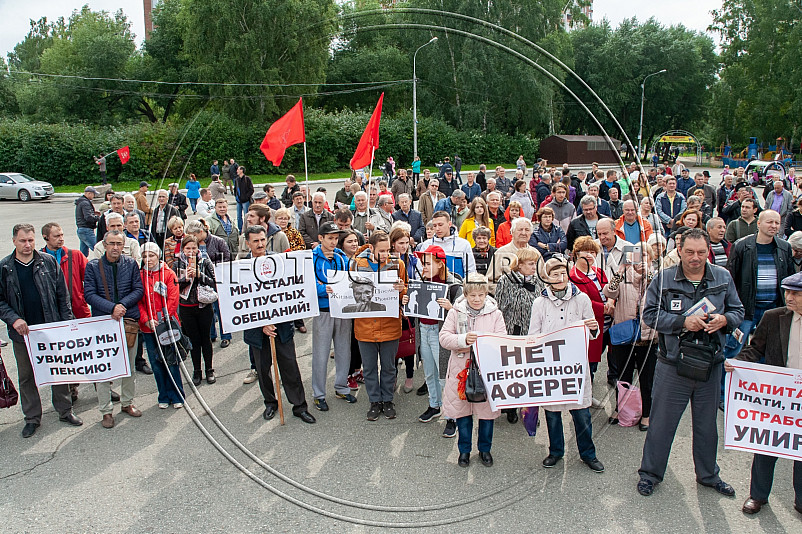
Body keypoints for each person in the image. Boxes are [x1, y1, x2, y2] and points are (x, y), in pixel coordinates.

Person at [637, 228, 745, 497]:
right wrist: (681, 322)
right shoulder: (664, 279)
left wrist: (725, 320)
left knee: (707, 426)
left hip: (711, 364)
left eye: (701, 252)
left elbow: (738, 310)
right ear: (679, 251)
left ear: (708, 250)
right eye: (689, 252)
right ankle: (650, 474)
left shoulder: (722, 277)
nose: (695, 258)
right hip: (673, 364)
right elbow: (649, 315)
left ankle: (708, 475)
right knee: (661, 424)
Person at [727, 271, 802, 515]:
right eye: (787, 292)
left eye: (795, 294)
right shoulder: (774, 317)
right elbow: (754, 349)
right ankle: (758, 496)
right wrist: (737, 362)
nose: (788, 297)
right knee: (767, 447)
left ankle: (800, 500)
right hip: (778, 397)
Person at [0, 224, 81, 438]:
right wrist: (14, 319)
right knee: (27, 376)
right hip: (23, 335)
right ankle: (32, 418)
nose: (27, 245)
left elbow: (62, 296)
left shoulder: (48, 262)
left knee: (58, 371)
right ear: (14, 241)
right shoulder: (5, 267)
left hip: (50, 330)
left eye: (31, 240)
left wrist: (67, 325)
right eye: (23, 241)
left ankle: (65, 411)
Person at [529, 257, 604, 472]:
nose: (560, 278)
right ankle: (556, 451)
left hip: (575, 366)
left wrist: (592, 328)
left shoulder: (582, 300)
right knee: (552, 414)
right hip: (551, 366)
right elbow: (533, 334)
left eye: (563, 273)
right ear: (546, 278)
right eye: (554, 274)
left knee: (581, 414)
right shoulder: (540, 303)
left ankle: (588, 454)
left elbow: (593, 332)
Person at [241, 226, 316, 424]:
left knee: (290, 366)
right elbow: (242, 303)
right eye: (255, 241)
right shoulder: (241, 267)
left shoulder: (280, 262)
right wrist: (261, 324)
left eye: (262, 239)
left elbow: (289, 294)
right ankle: (270, 403)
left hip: (281, 328)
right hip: (257, 332)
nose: (260, 244)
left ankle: (299, 406)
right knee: (263, 369)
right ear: (248, 243)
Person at [440, 273, 505, 466]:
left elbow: (502, 340)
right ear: (466, 294)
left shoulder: (495, 314)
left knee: (486, 415)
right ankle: (464, 451)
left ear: (486, 295)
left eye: (481, 295)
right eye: (472, 295)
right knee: (463, 414)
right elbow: (444, 338)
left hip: (486, 371)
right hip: (461, 370)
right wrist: (462, 340)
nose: (477, 299)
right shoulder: (455, 312)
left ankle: (485, 449)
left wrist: (485, 344)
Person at [84, 230, 145, 429]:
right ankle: (106, 411)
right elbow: (89, 294)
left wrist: (121, 306)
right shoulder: (93, 266)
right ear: (104, 244)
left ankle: (127, 403)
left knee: (129, 366)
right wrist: (111, 308)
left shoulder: (131, 264)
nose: (116, 247)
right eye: (112, 243)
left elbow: (138, 289)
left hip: (127, 321)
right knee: (103, 370)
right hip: (103, 323)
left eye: (119, 243)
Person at [723, 210, 794, 365]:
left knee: (768, 350)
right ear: (759, 223)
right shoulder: (742, 246)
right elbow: (731, 278)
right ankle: (724, 388)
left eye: (777, 222)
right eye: (770, 222)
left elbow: (789, 278)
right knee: (733, 349)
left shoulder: (784, 247)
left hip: (772, 309)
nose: (774, 226)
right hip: (746, 310)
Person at [352, 231, 407, 420]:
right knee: (368, 368)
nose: (385, 254)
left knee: (389, 366)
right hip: (365, 326)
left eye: (388, 250)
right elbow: (347, 290)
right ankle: (374, 401)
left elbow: (405, 291)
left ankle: (388, 399)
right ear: (371, 248)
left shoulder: (397, 264)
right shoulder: (357, 265)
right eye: (381, 251)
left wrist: (402, 290)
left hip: (390, 325)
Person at [603, 249, 657, 431]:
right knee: (623, 375)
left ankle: (647, 413)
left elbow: (661, 291)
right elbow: (609, 292)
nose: (639, 260)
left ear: (650, 259)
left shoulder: (656, 277)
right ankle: (622, 409)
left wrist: (647, 273)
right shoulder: (623, 276)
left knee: (646, 377)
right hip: (624, 333)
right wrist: (620, 271)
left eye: (644, 256)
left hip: (648, 335)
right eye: (635, 256)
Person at [494, 247, 545, 424]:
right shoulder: (505, 280)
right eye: (531, 264)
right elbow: (500, 307)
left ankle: (530, 410)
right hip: (512, 332)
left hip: (532, 333)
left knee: (530, 373)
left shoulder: (538, 281)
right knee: (512, 373)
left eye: (535, 264)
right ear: (520, 264)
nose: (534, 267)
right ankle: (510, 407)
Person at [311, 222, 355, 411]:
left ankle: (341, 387)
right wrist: (324, 289)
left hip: (341, 308)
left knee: (344, 351)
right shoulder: (312, 258)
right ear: (320, 238)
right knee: (321, 354)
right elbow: (307, 283)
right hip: (323, 310)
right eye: (330, 238)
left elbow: (347, 278)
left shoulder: (340, 257)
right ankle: (318, 394)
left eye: (336, 238)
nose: (334, 241)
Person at [137, 242, 185, 409]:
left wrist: (163, 320)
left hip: (167, 326)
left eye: (151, 255)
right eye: (144, 256)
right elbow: (139, 302)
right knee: (156, 363)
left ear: (158, 256)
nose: (148, 259)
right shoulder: (139, 276)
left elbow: (173, 299)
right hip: (148, 328)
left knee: (171, 361)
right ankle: (163, 395)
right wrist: (146, 319)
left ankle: (177, 394)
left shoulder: (168, 274)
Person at [174, 236, 217, 387]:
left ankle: (209, 369)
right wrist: (185, 278)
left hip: (204, 307)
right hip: (186, 309)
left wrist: (200, 275)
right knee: (194, 340)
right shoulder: (177, 264)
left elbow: (215, 282)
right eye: (188, 248)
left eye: (194, 248)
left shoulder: (204, 262)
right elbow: (174, 287)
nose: (191, 251)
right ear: (183, 249)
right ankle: (197, 370)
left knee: (206, 338)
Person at [570, 237, 608, 381]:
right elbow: (584, 302)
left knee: (597, 360)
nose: (589, 255)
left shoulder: (598, 271)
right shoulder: (574, 276)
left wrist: (611, 300)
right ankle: (586, 395)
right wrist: (604, 309)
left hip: (605, 324)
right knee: (587, 362)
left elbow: (609, 288)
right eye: (585, 251)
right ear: (576, 254)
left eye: (593, 252)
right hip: (591, 323)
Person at [418, 211, 477, 278]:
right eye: (434, 226)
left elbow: (471, 271)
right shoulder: (426, 245)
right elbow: (420, 270)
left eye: (440, 225)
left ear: (449, 224)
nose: (437, 229)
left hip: (457, 286)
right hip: (433, 286)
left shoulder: (464, 244)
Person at [491, 217, 540, 287]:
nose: (523, 233)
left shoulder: (536, 253)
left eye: (527, 230)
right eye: (520, 230)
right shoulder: (501, 253)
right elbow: (490, 282)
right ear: (512, 232)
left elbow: (543, 278)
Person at [75, 186, 100, 255]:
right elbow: (88, 218)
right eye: (93, 194)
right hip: (86, 230)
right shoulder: (85, 203)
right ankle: (105, 264)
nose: (94, 196)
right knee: (98, 249)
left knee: (83, 253)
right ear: (89, 193)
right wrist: (98, 218)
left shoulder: (80, 202)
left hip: (81, 229)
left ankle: (80, 265)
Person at [234, 166, 254, 232]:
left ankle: (247, 229)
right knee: (238, 216)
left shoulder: (247, 179)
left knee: (246, 215)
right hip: (238, 200)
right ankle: (240, 229)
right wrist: (236, 196)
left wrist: (246, 197)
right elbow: (235, 189)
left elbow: (251, 189)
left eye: (238, 169)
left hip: (245, 200)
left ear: (241, 170)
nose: (237, 171)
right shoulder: (237, 179)